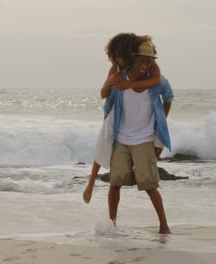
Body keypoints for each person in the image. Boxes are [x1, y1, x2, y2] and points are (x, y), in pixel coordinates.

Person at [83, 33, 163, 204]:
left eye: (122, 58)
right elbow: (104, 94)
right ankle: (90, 184)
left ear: (130, 55)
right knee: (102, 145)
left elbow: (156, 81)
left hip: (138, 128)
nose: (119, 61)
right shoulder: (116, 68)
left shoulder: (147, 63)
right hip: (114, 112)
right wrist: (112, 81)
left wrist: (129, 85)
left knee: (149, 175)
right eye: (116, 58)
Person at [105, 40, 174, 234]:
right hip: (121, 139)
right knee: (115, 183)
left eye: (149, 61)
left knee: (149, 185)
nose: (146, 64)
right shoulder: (120, 79)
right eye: (142, 60)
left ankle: (164, 226)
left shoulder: (158, 82)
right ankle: (112, 224)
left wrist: (161, 121)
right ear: (133, 59)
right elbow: (108, 102)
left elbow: (169, 97)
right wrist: (106, 130)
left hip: (144, 140)